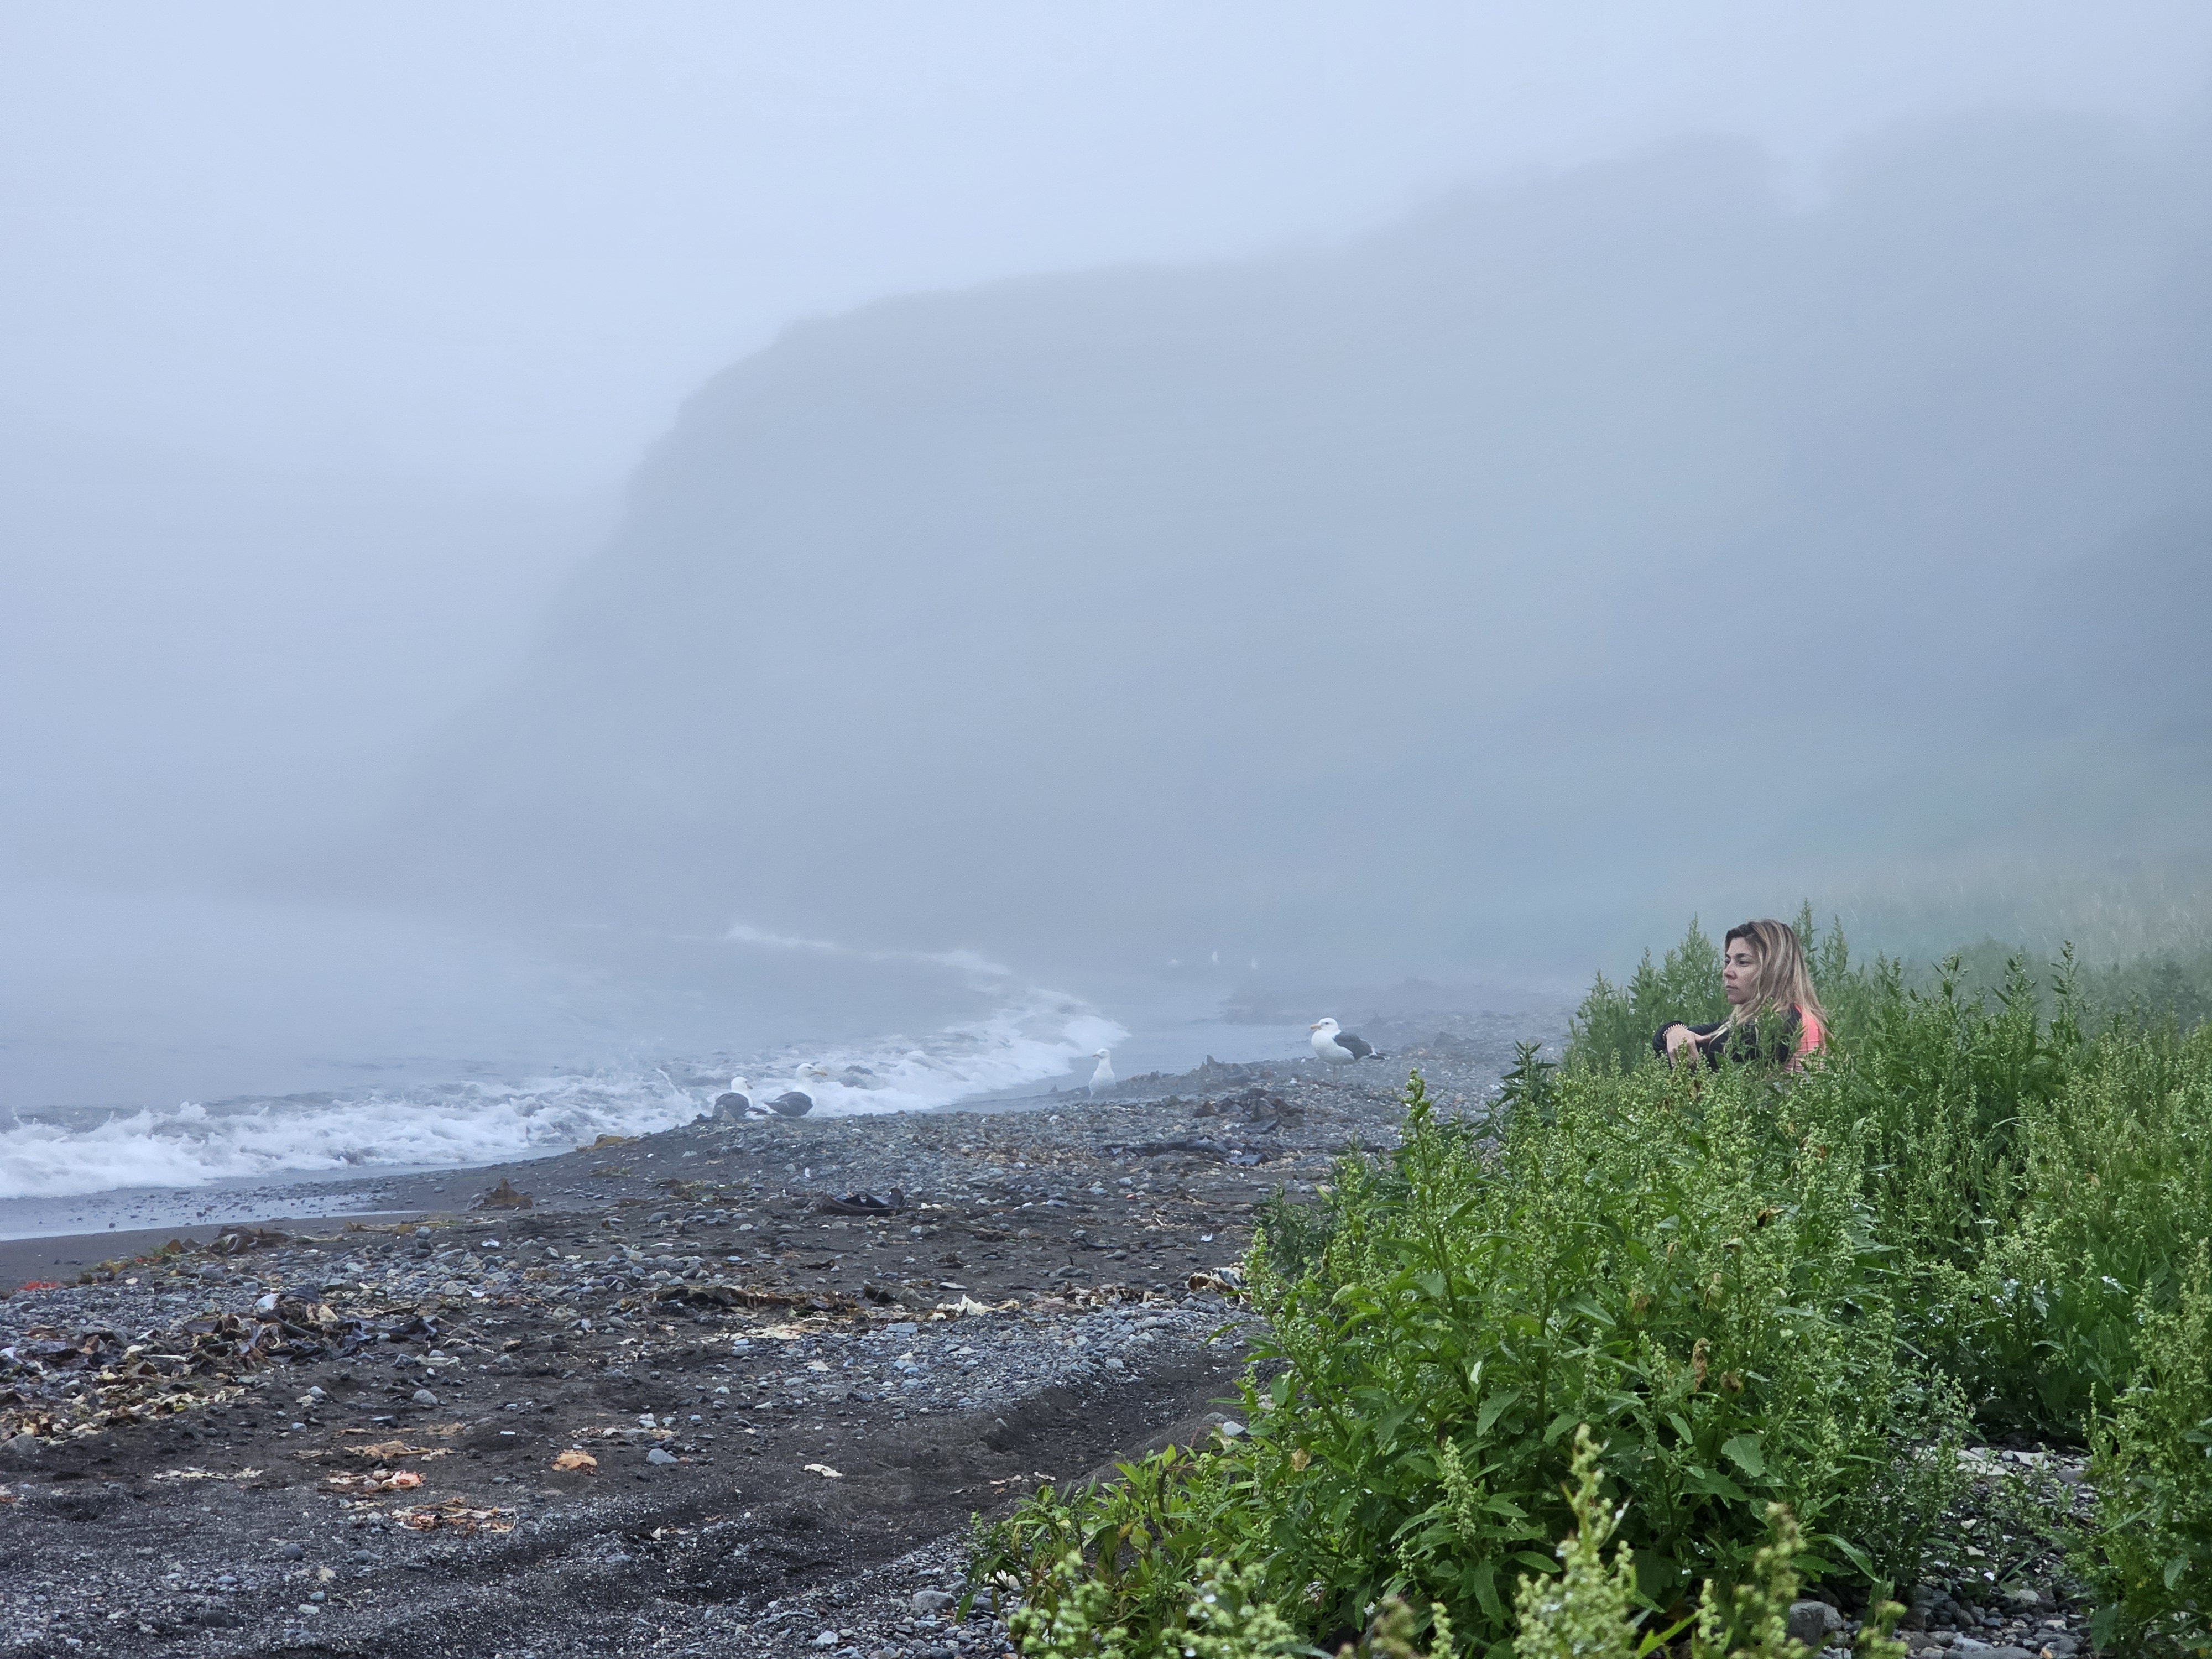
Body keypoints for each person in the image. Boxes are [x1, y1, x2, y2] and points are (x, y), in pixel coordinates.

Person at [1654, 919, 1828, 1070]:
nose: (1727, 972)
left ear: (1774, 970)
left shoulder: (1777, 1028)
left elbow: (1668, 1056)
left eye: (1743, 962)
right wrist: (1673, 1031)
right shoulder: (1787, 1017)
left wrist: (1677, 1041)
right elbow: (1666, 1043)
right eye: (1727, 961)